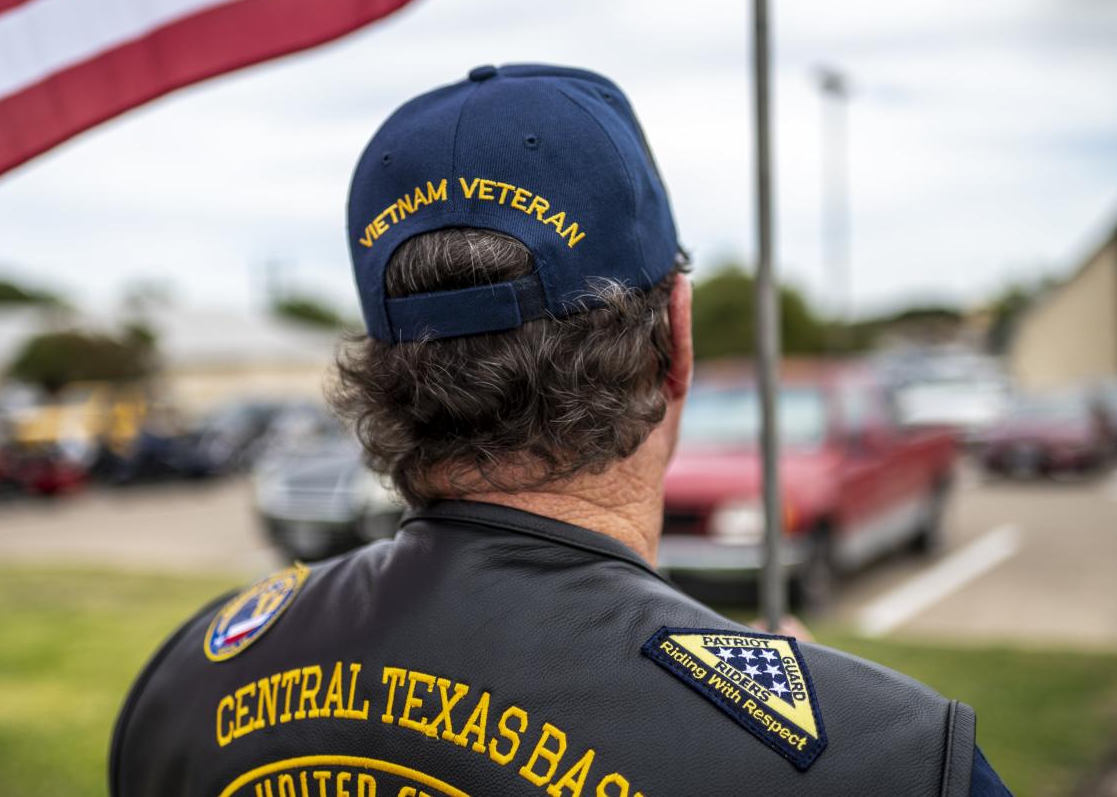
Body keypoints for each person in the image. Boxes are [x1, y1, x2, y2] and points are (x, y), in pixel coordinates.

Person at [110, 64, 1012, 796]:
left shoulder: (190, 682)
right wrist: (793, 721)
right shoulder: (885, 760)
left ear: (384, 368)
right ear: (678, 340)